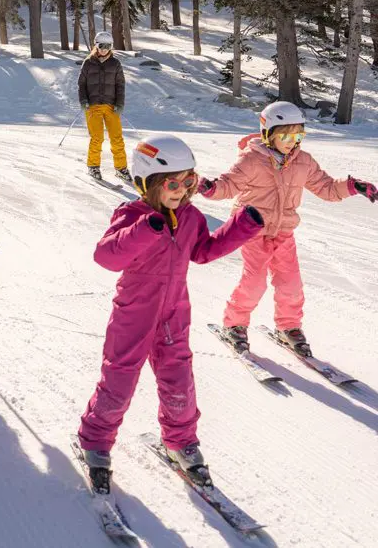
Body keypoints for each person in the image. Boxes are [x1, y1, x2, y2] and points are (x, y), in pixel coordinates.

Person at [77, 134, 264, 493]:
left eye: (189, 181)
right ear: (147, 184)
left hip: (175, 315)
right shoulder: (131, 215)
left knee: (179, 383)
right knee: (119, 380)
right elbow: (106, 257)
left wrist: (242, 226)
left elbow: (203, 251)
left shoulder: (191, 216)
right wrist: (144, 230)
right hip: (134, 315)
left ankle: (181, 441)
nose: (182, 191)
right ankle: (95, 440)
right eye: (173, 183)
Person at [198, 101, 376, 356]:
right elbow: (228, 185)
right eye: (285, 135)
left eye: (298, 135)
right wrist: (210, 188)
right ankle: (234, 324)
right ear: (268, 133)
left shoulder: (303, 161)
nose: (292, 141)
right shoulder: (251, 159)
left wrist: (351, 187)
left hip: (283, 232)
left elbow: (325, 187)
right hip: (253, 230)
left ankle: (288, 327)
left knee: (291, 284)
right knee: (255, 282)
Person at [78, 31, 132, 183]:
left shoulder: (115, 64)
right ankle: (93, 166)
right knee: (97, 138)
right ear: (96, 45)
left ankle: (121, 168)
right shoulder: (88, 63)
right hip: (93, 106)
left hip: (111, 106)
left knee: (117, 138)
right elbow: (81, 84)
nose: (104, 49)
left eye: (107, 46)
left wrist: (120, 104)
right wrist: (83, 101)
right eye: (101, 46)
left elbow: (120, 85)